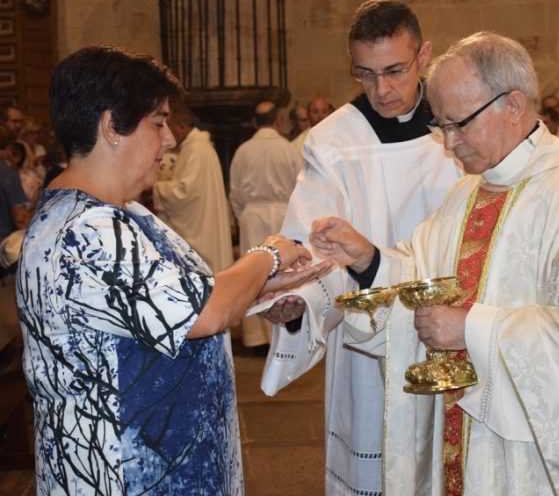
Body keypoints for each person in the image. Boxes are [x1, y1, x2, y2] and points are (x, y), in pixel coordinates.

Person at [16, 45, 331, 495]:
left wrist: (258, 289)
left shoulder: (124, 214)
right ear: (111, 127)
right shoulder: (83, 229)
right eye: (158, 123)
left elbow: (172, 301)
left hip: (167, 458)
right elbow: (203, 311)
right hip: (123, 471)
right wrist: (269, 255)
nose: (170, 139)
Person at [310, 31, 559, 495]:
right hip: (459, 441)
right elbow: (422, 280)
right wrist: (368, 260)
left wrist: (472, 329)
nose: (448, 143)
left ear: (513, 105)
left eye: (459, 124)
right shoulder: (467, 192)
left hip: (524, 461)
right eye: (441, 126)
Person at [260, 0, 463, 495]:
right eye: (365, 74)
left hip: (456, 328)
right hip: (369, 344)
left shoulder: (460, 124)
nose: (382, 89)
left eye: (395, 70)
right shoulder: (332, 141)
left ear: (424, 56)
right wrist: (296, 304)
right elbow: (312, 240)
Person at [229, 101, 303, 355]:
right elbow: (300, 187)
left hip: (253, 215)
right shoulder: (289, 149)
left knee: (254, 273)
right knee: (286, 273)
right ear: (278, 121)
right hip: (284, 213)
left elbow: (235, 192)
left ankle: (255, 337)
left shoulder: (243, 150)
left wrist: (245, 216)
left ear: (254, 123)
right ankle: (283, 331)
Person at [153, 102, 233, 272]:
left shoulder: (195, 149)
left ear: (181, 126)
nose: (168, 135)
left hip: (200, 226)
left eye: (170, 127)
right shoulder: (199, 146)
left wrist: (156, 188)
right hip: (204, 219)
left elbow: (185, 193)